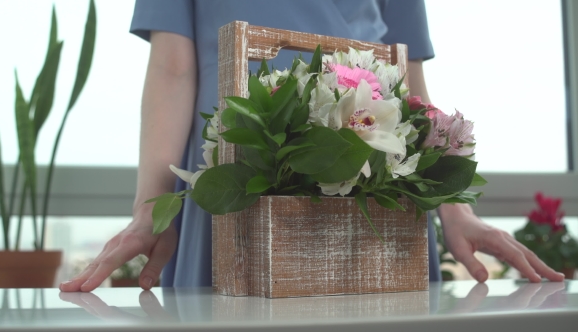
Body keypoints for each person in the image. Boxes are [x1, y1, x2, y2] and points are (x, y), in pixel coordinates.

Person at [60, 0, 565, 292]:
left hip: (375, 177)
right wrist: (152, 213)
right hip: (239, 175)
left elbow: (406, 80)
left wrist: (454, 211)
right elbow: (173, 69)